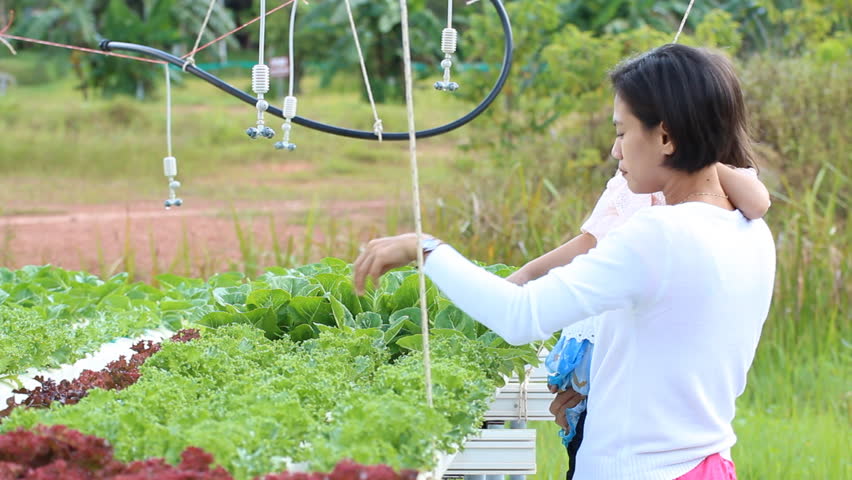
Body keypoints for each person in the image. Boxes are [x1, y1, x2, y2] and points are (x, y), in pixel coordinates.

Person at [354, 44, 776, 480]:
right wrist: (598, 381)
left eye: (621, 132)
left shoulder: (659, 235)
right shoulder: (750, 231)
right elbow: (675, 348)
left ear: (666, 138)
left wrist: (425, 249)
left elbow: (521, 316)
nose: (616, 152)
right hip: (706, 465)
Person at [506, 162, 770, 479]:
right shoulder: (630, 182)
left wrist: (700, 156)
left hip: (651, 367)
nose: (619, 152)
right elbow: (591, 242)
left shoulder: (718, 188)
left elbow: (757, 204)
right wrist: (528, 274)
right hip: (600, 349)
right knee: (583, 435)